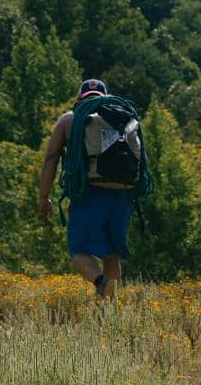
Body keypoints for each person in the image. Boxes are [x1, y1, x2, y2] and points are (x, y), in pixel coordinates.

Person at [38, 78, 140, 299]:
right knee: (112, 254)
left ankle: (101, 282)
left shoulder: (69, 120)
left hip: (91, 192)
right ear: (106, 99)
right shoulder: (123, 119)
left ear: (79, 99)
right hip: (123, 194)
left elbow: (51, 158)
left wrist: (44, 197)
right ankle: (109, 312)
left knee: (79, 250)